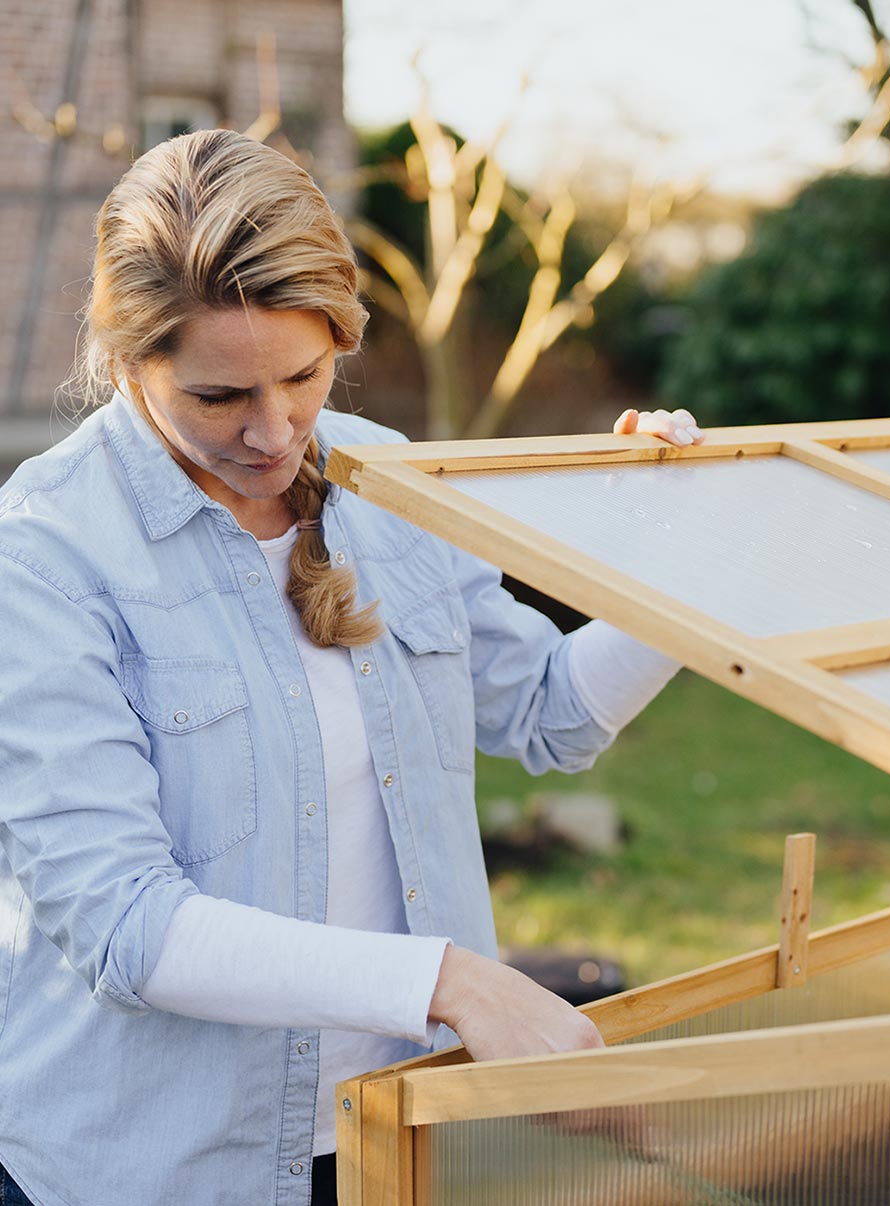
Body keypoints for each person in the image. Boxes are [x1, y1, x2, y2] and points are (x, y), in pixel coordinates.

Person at [0, 128, 703, 1206]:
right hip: (153, 1172)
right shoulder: (44, 553)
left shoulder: (391, 483)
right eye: (219, 397)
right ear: (130, 361)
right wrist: (449, 984)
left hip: (390, 1142)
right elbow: (126, 925)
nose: (274, 432)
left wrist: (688, 557)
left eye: (304, 375)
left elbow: (553, 713)